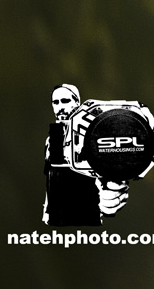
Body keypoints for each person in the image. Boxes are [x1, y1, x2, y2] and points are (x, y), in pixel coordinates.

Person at [43, 84, 128, 226]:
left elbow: (112, 175)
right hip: (57, 221)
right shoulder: (53, 138)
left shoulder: (95, 135)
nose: (60, 107)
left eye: (65, 101)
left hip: (86, 220)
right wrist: (47, 211)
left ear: (77, 103)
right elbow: (51, 176)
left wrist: (111, 195)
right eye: (55, 102)